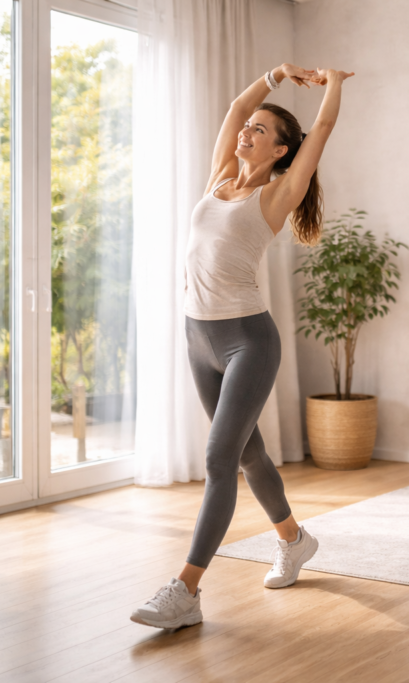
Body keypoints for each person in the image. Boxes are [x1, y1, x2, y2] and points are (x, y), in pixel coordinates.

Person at [131, 63, 355, 628]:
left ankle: (185, 591)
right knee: (249, 453)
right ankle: (295, 539)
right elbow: (234, 108)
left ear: (282, 151)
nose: (244, 133)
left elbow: (322, 132)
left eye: (260, 131)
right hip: (197, 335)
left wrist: (333, 84)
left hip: (247, 341)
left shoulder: (279, 193)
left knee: (218, 458)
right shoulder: (218, 180)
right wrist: (276, 74)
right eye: (246, 128)